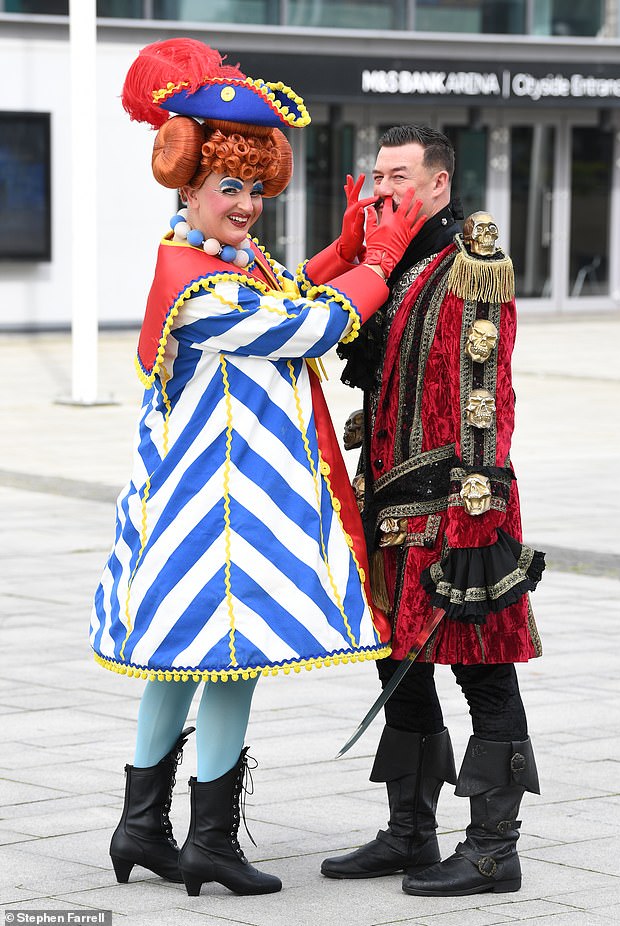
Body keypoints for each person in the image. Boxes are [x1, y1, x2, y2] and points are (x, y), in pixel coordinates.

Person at [90, 41, 426, 898]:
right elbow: (307, 327)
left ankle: (141, 829)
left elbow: (289, 291)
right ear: (188, 189)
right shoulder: (200, 286)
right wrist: (381, 257)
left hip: (199, 508)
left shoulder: (213, 265)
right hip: (225, 516)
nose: (245, 205)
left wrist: (347, 242)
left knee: (174, 663)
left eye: (253, 188)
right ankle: (206, 842)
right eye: (227, 188)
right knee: (230, 663)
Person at [321, 125, 545, 896]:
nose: (383, 189)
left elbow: (486, 403)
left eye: (400, 177)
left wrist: (474, 522)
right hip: (386, 506)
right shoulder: (392, 264)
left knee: (484, 675)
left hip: (457, 506)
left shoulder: (470, 268)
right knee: (399, 675)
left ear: (439, 184)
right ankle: (411, 834)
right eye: (377, 175)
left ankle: (492, 848)